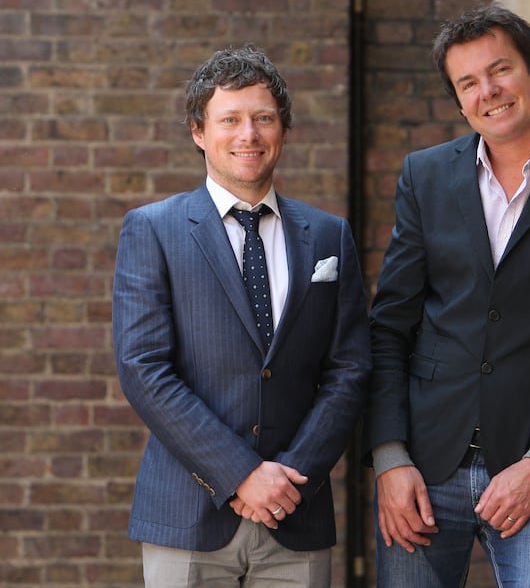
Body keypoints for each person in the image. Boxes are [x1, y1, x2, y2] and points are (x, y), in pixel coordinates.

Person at [363, 3, 530, 587]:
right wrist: (389, 459)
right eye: (468, 82)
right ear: (459, 100)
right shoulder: (425, 176)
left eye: (500, 70)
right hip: (422, 471)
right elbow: (389, 329)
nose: (488, 91)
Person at [112, 45, 371, 587]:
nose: (247, 134)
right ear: (198, 132)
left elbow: (349, 370)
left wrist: (287, 483)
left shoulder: (328, 236)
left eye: (263, 118)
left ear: (283, 130)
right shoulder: (152, 230)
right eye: (229, 119)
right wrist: (241, 475)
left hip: (295, 512)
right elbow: (144, 368)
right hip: (188, 515)